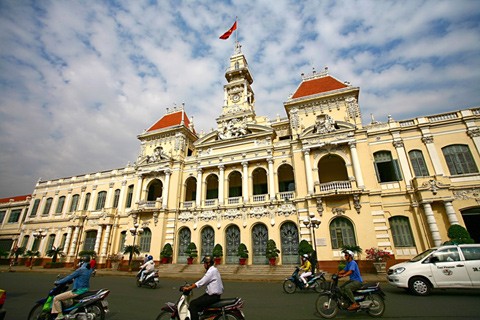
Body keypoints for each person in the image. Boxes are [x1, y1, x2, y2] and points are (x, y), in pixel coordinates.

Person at [182, 256, 224, 320]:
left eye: (204, 263)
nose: (204, 265)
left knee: (193, 304)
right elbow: (203, 281)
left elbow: (202, 282)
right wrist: (192, 285)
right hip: (212, 296)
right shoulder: (214, 270)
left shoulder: (211, 271)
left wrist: (189, 288)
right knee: (199, 305)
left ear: (208, 263)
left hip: (212, 296)